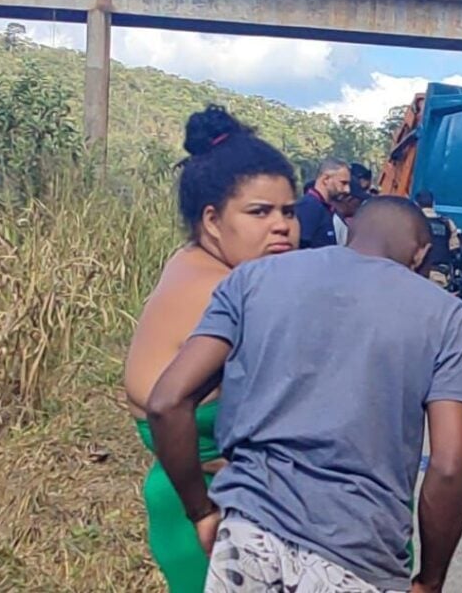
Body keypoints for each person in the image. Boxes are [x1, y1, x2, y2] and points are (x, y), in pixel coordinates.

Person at [146, 196, 462, 593]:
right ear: (420, 255)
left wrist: (201, 512)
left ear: (352, 232)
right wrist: (431, 578)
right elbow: (448, 467)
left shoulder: (253, 279)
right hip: (360, 555)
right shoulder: (447, 317)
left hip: (250, 536)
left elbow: (166, 402)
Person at [122, 105, 298, 592]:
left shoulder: (188, 262)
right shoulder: (235, 295)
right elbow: (166, 405)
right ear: (213, 219)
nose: (281, 226)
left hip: (181, 496)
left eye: (288, 210)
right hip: (213, 511)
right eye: (259, 212)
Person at [294, 158, 351, 249]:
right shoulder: (309, 207)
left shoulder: (325, 208)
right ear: (326, 179)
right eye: (343, 183)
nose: (347, 190)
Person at [414, 189, 460, 289]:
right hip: (439, 275)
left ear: (416, 204)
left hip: (416, 275)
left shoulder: (412, 223)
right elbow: (456, 253)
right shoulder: (447, 223)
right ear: (433, 203)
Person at [332, 176, 371, 245]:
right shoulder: (334, 222)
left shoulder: (335, 219)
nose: (360, 205)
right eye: (359, 200)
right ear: (348, 199)